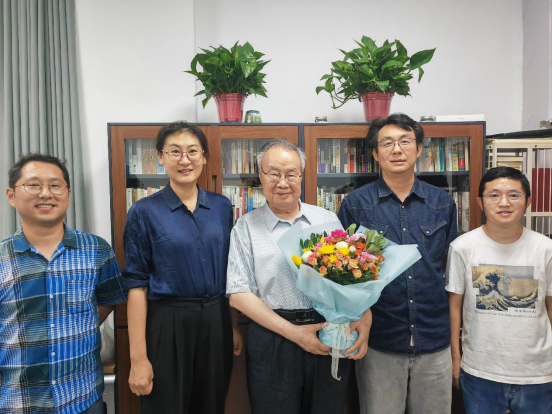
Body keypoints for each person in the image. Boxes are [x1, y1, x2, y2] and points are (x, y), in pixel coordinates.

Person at [227, 139, 372, 414]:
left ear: (302, 176)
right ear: (261, 176)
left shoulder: (326, 219)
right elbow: (239, 294)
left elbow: (353, 276)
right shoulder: (246, 226)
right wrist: (295, 334)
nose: (283, 183)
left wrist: (365, 314)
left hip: (329, 329)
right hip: (273, 337)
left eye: (291, 174)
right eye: (274, 174)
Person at [338, 113, 458, 414]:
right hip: (379, 339)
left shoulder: (442, 203)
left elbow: (451, 268)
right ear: (375, 154)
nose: (397, 150)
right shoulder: (355, 204)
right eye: (387, 143)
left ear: (418, 149)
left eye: (405, 141)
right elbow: (344, 275)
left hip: (434, 338)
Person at [123, 121, 243, 414]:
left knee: (212, 404)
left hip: (216, 320)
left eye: (192, 151)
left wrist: (234, 326)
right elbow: (136, 284)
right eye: (175, 152)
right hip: (168, 321)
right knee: (166, 406)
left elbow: (231, 272)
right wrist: (138, 359)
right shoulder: (143, 211)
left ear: (204, 157)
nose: (184, 160)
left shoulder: (221, 207)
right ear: (161, 157)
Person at [0, 154, 127, 414]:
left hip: (83, 397)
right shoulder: (2, 258)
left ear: (68, 195)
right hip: (19, 401)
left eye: (55, 185)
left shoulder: (96, 250)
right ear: (11, 196)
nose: (46, 193)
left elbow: (108, 302)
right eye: (33, 185)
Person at [446, 167, 552, 413]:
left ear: (528, 202)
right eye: (494, 195)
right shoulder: (462, 247)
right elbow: (454, 307)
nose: (504, 202)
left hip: (538, 373)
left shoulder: (546, 249)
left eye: (514, 195)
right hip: (480, 371)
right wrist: (455, 359)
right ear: (480, 202)